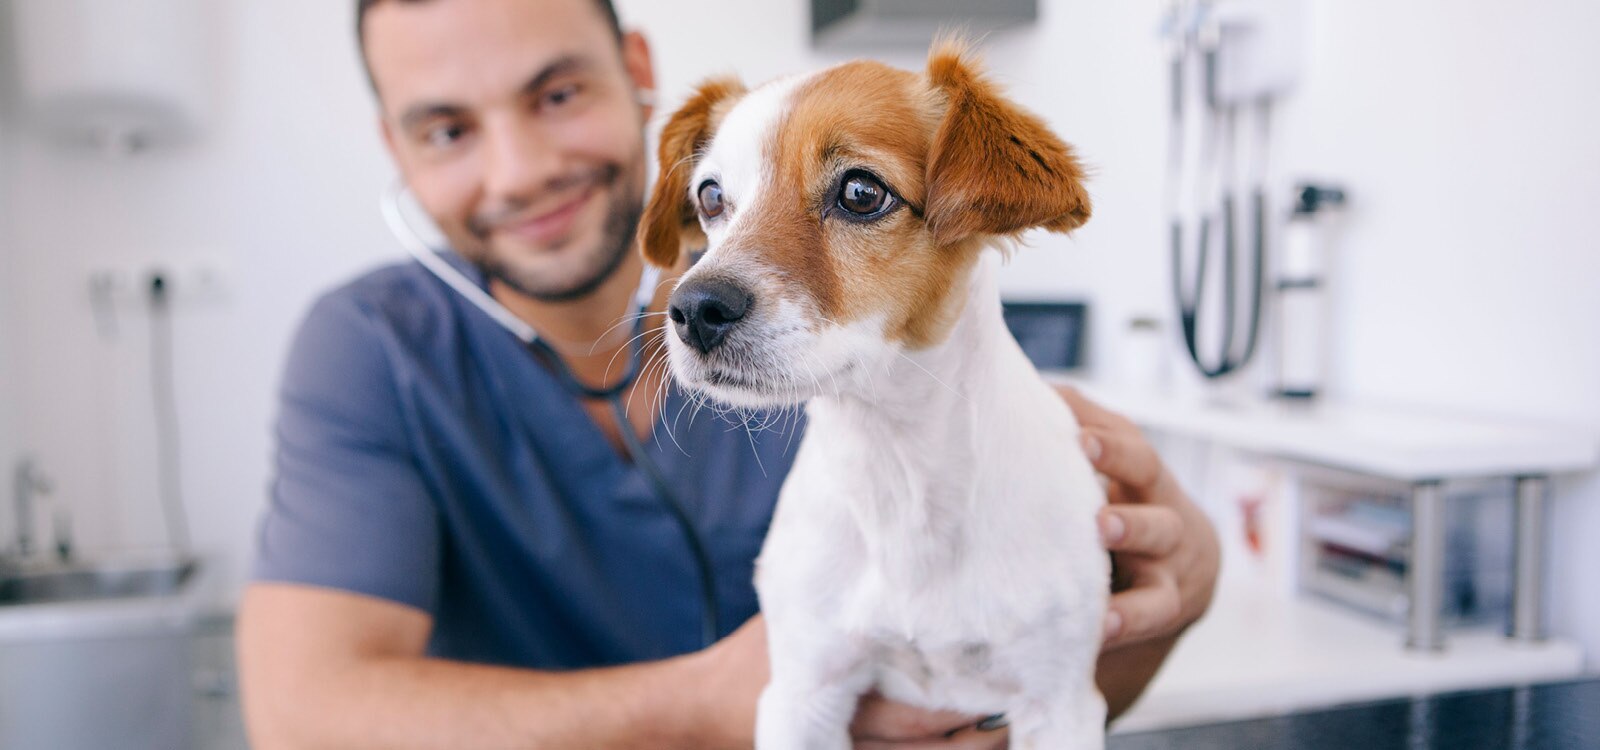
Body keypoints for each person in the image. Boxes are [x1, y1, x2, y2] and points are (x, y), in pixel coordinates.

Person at [235, 0, 1222, 747]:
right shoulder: (370, 347)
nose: (519, 168)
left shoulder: (939, 396)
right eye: (446, 128)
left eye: (557, 93)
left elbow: (1022, 702)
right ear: (396, 149)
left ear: (634, 70)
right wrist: (730, 693)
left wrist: (1180, 589)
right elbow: (302, 717)